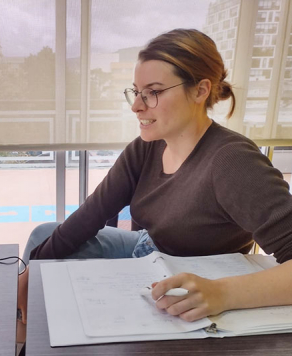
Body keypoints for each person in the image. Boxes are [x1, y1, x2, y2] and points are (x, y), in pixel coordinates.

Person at [17, 28, 292, 326]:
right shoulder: (146, 148)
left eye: (154, 92)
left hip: (190, 276)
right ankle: (23, 344)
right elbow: (91, 214)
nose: (136, 106)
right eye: (137, 91)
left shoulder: (232, 161)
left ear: (200, 90)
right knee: (43, 239)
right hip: (147, 252)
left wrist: (221, 293)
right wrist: (29, 272)